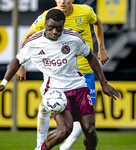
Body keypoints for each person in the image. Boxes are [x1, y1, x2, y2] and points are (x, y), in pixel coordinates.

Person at [0, 9, 120, 150]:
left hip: (79, 88)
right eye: (51, 28)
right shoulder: (34, 42)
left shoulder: (74, 38)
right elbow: (17, 60)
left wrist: (104, 83)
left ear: (63, 25)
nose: (55, 32)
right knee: (64, 130)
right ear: (45, 25)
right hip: (57, 92)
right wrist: (3, 83)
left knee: (90, 130)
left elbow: (91, 57)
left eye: (59, 28)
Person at [16, 1, 109, 149]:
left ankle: (65, 147)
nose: (62, 1)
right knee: (45, 105)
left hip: (85, 72)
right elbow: (27, 36)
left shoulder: (85, 11)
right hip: (59, 71)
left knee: (87, 123)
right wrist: (21, 65)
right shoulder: (48, 16)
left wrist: (101, 48)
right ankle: (40, 144)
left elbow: (97, 22)